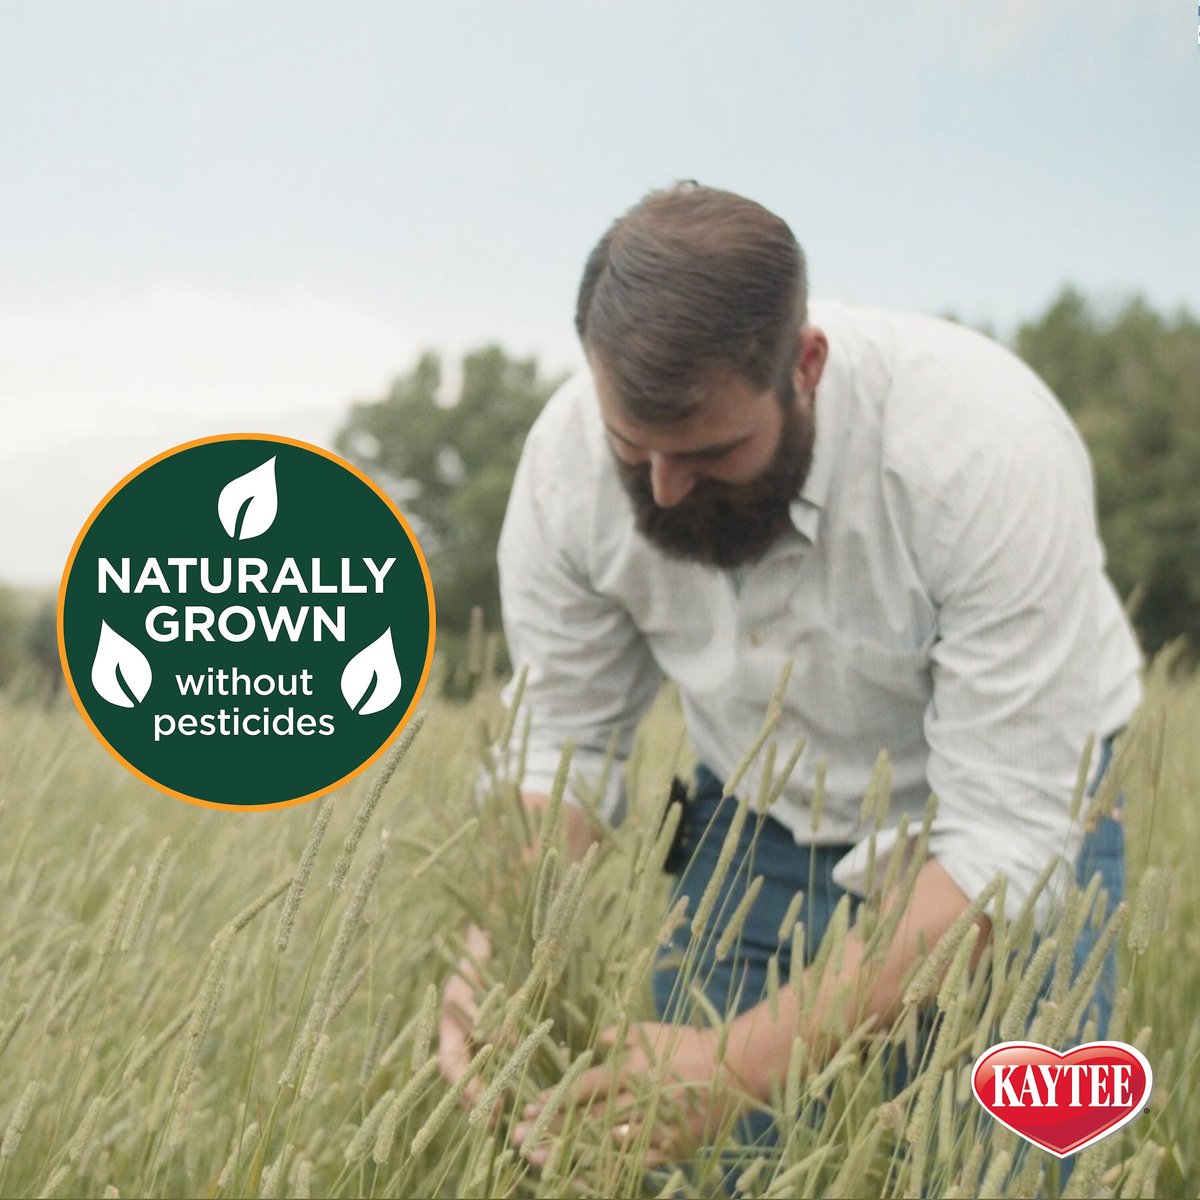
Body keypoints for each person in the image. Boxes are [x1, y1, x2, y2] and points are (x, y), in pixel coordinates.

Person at [438, 182, 1143, 1158]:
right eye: (628, 447)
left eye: (710, 451)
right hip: (757, 826)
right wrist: (497, 949)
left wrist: (742, 1059)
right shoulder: (564, 470)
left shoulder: (983, 452)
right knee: (722, 1169)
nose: (664, 489)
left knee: (1005, 1172)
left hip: (1009, 829)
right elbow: (561, 744)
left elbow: (1008, 846)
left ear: (805, 365)